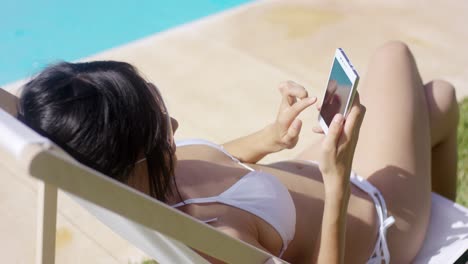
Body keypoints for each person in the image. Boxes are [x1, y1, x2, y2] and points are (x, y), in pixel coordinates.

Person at [18, 41, 459, 264]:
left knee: (439, 100)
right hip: (377, 221)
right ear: (133, 154)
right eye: (159, 125)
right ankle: (428, 235)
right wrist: (338, 178)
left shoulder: (134, 175)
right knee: (394, 55)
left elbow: (220, 160)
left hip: (315, 170)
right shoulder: (218, 235)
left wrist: (272, 137)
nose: (173, 125)